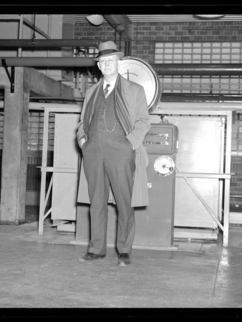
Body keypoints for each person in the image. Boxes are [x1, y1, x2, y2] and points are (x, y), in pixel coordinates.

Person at [76, 41, 150, 266]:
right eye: (103, 61)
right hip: (93, 152)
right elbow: (82, 122)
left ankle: (124, 250)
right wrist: (82, 141)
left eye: (111, 61)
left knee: (124, 201)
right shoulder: (91, 92)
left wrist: (129, 144)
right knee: (96, 201)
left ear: (119, 63)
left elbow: (143, 122)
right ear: (99, 66)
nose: (107, 64)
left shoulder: (135, 90)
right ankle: (96, 248)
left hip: (121, 150)